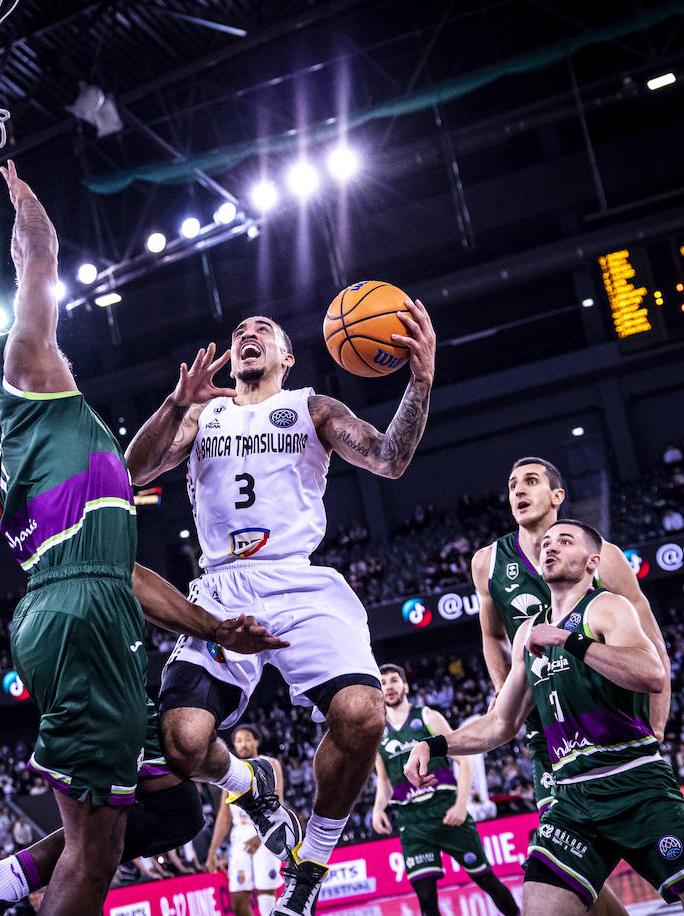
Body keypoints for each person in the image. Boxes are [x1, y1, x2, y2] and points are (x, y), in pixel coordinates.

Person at [0, 160, 285, 916]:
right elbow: (39, 261)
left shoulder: (49, 442)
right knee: (94, 854)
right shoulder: (27, 380)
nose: (48, 343)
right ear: (11, 365)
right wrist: (25, 201)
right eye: (28, 339)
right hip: (83, 618)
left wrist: (217, 628)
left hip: (89, 605)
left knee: (173, 811)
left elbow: (125, 516)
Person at [125, 303, 436, 915]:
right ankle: (249, 785)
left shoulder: (312, 408)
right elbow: (132, 471)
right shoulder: (203, 415)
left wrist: (420, 381)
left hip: (299, 583)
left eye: (262, 332)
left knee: (362, 714)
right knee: (182, 742)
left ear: (287, 358)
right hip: (221, 587)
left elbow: (388, 458)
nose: (247, 336)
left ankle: (313, 860)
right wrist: (174, 405)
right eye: (240, 332)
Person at [409, 521, 684, 916]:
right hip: (571, 799)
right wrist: (435, 744)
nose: (550, 548)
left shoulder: (607, 606)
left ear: (592, 562)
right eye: (548, 544)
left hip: (635, 787)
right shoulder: (526, 633)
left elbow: (652, 673)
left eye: (565, 541)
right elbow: (501, 724)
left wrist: (568, 638)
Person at [471, 457, 672, 916]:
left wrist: (657, 722)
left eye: (531, 481)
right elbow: (491, 636)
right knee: (563, 855)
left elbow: (651, 637)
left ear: (557, 496)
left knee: (664, 858)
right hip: (550, 729)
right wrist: (508, 698)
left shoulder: (604, 556)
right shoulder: (487, 561)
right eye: (511, 483)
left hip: (612, 716)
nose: (517, 490)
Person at [370, 665, 518, 916]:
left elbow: (464, 761)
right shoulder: (377, 734)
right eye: (383, 683)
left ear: (405, 686)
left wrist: (461, 805)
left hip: (446, 811)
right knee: (426, 900)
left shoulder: (428, 716)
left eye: (394, 680)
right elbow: (384, 782)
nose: (389, 686)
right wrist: (377, 809)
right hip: (412, 823)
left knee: (487, 880)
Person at [206, 726, 285, 916]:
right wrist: (212, 851)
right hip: (239, 837)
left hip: (265, 833)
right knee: (238, 905)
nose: (243, 743)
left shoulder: (271, 763)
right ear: (234, 745)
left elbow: (277, 804)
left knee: (266, 901)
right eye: (239, 740)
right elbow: (224, 817)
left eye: (248, 738)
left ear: (257, 741)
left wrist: (262, 836)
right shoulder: (230, 770)